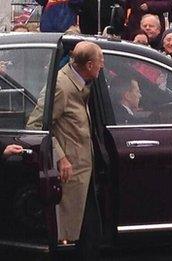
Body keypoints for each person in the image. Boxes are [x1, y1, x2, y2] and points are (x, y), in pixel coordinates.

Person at [27, 41, 104, 244]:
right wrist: (60, 157)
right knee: (68, 236)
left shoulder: (81, 83)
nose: (102, 65)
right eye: (100, 61)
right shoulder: (61, 85)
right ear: (88, 65)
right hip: (71, 169)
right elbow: (36, 126)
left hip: (85, 170)